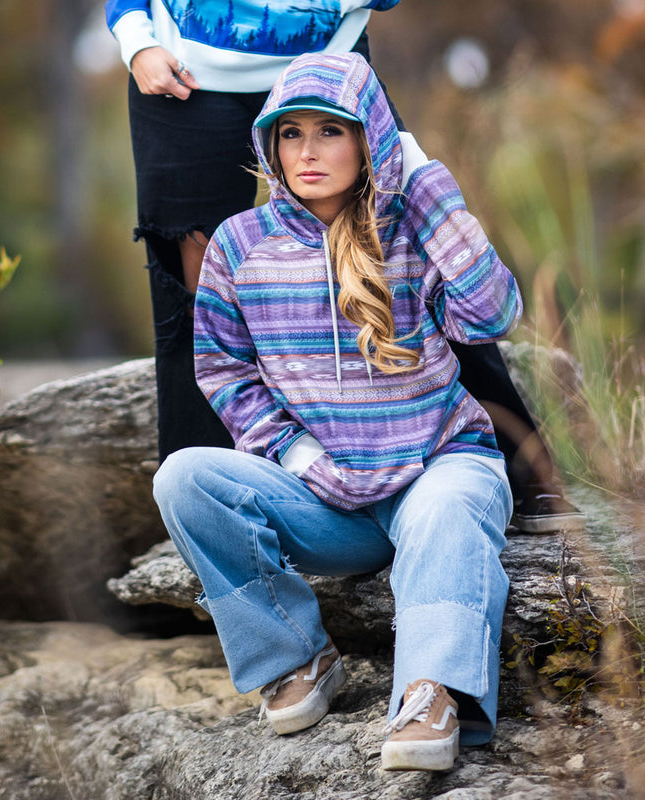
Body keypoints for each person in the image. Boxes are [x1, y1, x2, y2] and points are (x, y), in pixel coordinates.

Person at [153, 51, 521, 771]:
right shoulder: (240, 244)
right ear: (269, 144)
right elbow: (224, 371)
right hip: (329, 503)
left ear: (369, 141)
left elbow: (493, 312)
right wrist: (298, 457)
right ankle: (297, 657)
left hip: (435, 474)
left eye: (331, 131)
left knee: (449, 508)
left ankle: (429, 694)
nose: (309, 152)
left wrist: (424, 181)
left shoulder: (409, 227)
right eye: (291, 134)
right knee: (184, 479)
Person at [105, 0, 584, 534]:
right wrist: (135, 36)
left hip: (330, 62)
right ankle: (209, 511)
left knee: (410, 251)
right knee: (191, 292)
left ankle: (523, 471)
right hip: (182, 67)